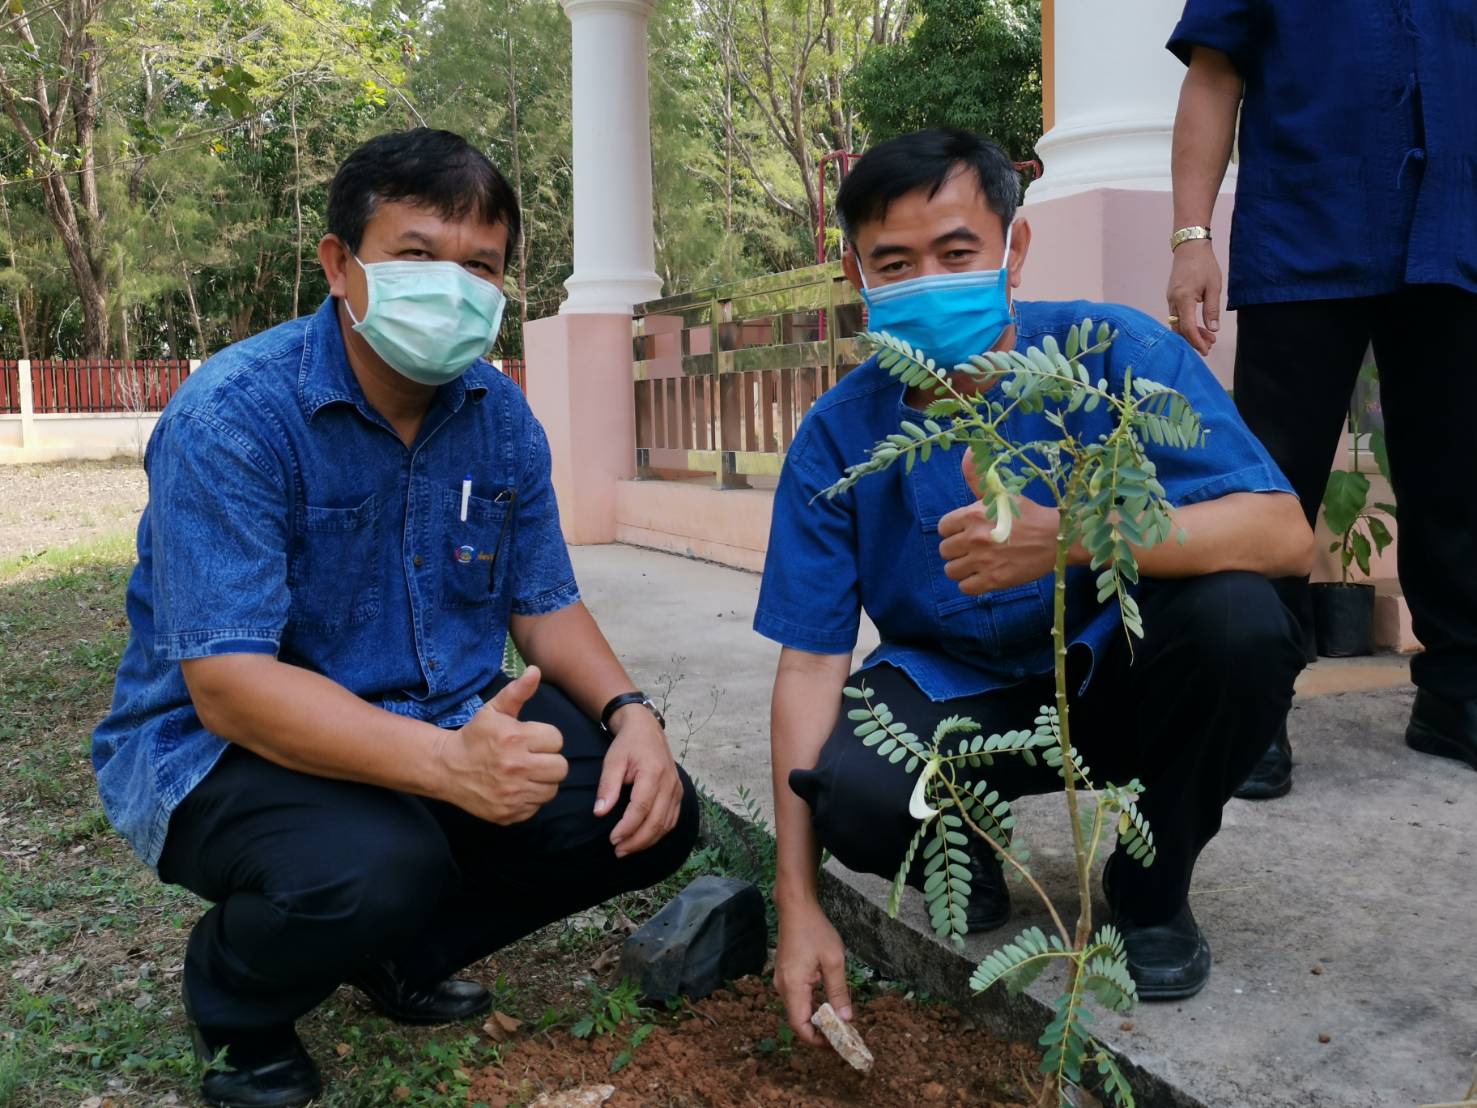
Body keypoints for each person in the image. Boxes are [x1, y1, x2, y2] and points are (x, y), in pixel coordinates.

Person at [92, 128, 697, 1108]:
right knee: (379, 865)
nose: (450, 287)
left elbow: (543, 604)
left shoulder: (498, 417)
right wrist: (449, 768)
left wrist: (634, 716)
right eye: (417, 256)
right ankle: (238, 1004)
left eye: (479, 266)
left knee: (642, 813)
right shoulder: (235, 419)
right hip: (223, 750)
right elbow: (228, 686)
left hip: (437, 713)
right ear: (340, 264)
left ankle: (396, 951)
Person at [754, 128, 1315, 1043]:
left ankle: (1149, 885)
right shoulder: (837, 436)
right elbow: (809, 667)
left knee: (1242, 623)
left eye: (955, 251)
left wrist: (1077, 540)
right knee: (847, 788)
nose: (926, 280)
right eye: (893, 262)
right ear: (857, 274)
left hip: (1114, 682)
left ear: (1013, 248)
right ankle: (959, 836)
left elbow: (1281, 534)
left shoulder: (1113, 355)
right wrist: (798, 901)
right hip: (959, 697)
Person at [1165, 1, 1477, 798]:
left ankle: (1455, 693)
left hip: (1451, 232)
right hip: (1304, 230)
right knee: (1272, 482)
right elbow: (1213, 73)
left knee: (1456, 477)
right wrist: (1191, 238)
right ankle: (1254, 705)